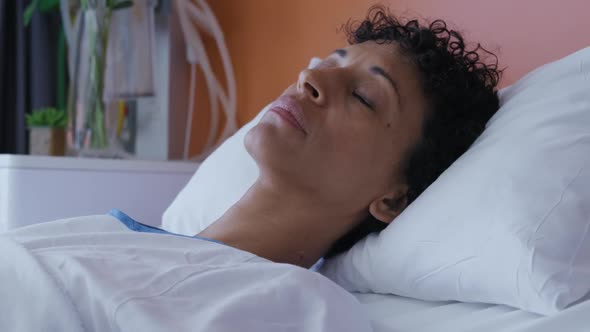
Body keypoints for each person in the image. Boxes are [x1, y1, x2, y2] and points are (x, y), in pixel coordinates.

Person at [0, 6, 501, 331]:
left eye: (365, 97)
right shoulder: (108, 234)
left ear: (392, 198)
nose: (310, 76)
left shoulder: (303, 311)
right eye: (330, 62)